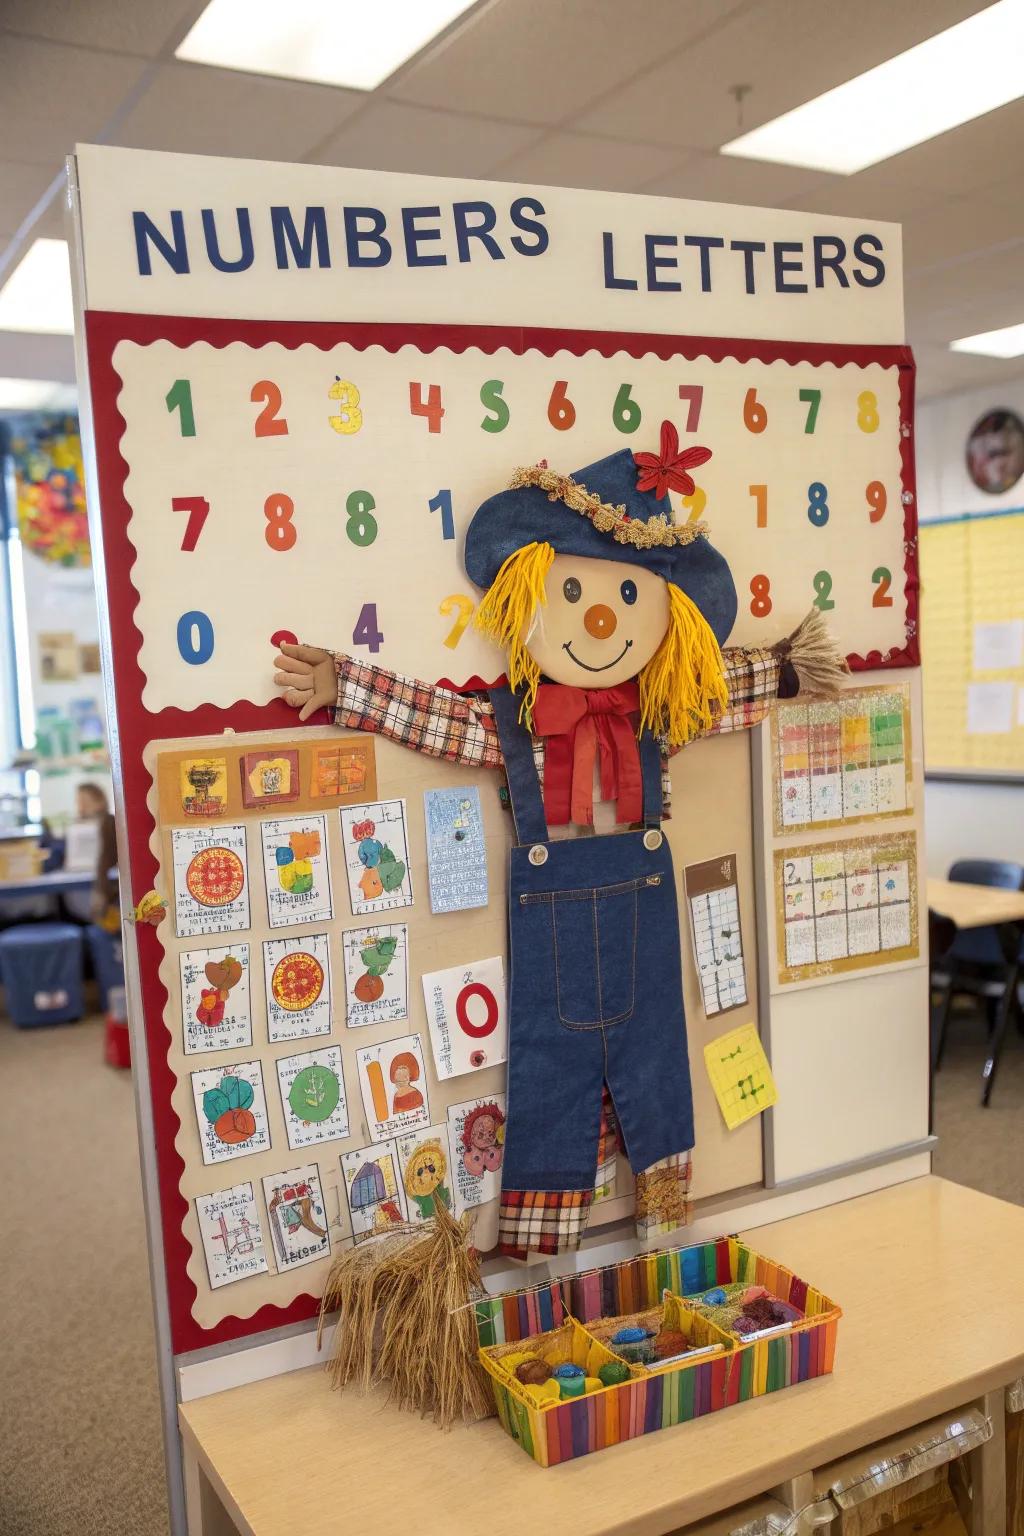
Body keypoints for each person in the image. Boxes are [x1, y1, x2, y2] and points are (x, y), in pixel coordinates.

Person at [274, 424, 846, 1258]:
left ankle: (664, 1239)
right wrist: (348, 687)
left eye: (626, 599)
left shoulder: (659, 714)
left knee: (658, 1079)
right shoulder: (511, 726)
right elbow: (439, 720)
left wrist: (795, 667)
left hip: (646, 946)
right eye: (574, 594)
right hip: (553, 955)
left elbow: (722, 692)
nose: (603, 618)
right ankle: (545, 1267)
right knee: (548, 1086)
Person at [75, 781, 118, 927]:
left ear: (100, 801)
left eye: (85, 802)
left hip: (105, 890)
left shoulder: (108, 823)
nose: (81, 807)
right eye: (79, 802)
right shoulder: (77, 826)